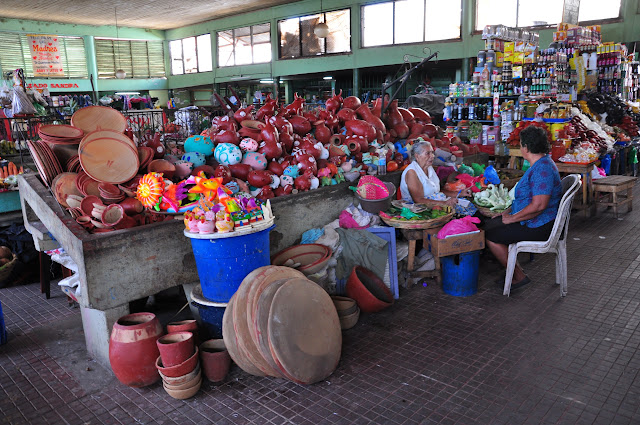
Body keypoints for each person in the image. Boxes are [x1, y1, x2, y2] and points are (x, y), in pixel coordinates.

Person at [485, 125, 562, 290]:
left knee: (491, 234)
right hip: (535, 220)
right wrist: (506, 213)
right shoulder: (541, 163)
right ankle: (512, 270)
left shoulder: (543, 169)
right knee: (491, 224)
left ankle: (518, 276)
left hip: (541, 226)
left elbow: (539, 206)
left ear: (526, 148)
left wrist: (512, 218)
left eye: (520, 144)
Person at [400, 140, 472, 208]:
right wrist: (444, 203)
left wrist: (459, 194)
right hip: (418, 210)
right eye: (427, 153)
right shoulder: (412, 172)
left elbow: (437, 192)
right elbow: (418, 200)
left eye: (432, 152)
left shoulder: (429, 168)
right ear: (417, 156)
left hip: (435, 205)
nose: (432, 156)